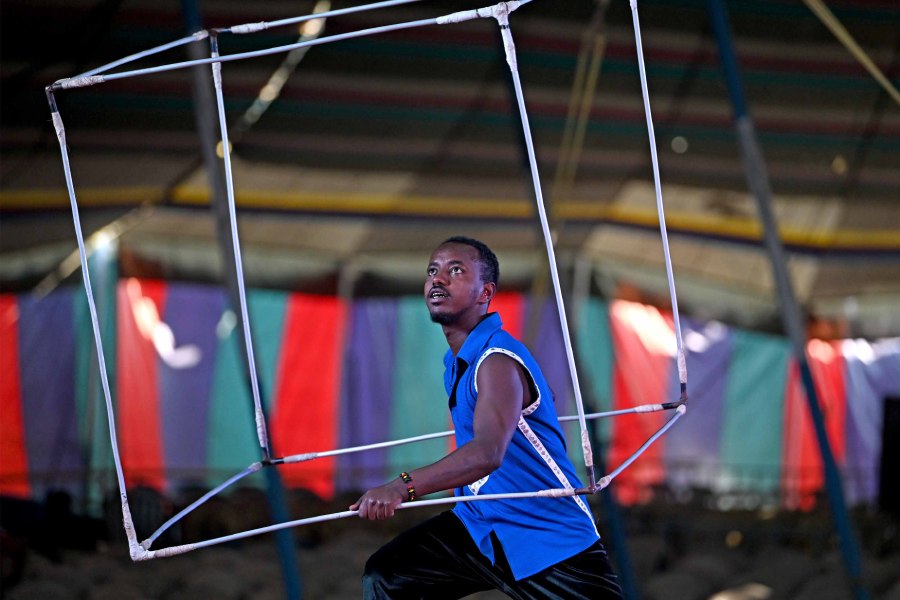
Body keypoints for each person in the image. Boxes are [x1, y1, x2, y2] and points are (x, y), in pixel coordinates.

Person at [351, 236, 623, 599]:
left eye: (456, 271)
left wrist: (402, 486)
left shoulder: (496, 361)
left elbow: (486, 454)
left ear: (485, 292)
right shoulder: (458, 362)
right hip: (481, 525)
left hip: (546, 537)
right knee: (387, 576)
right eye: (433, 271)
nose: (438, 279)